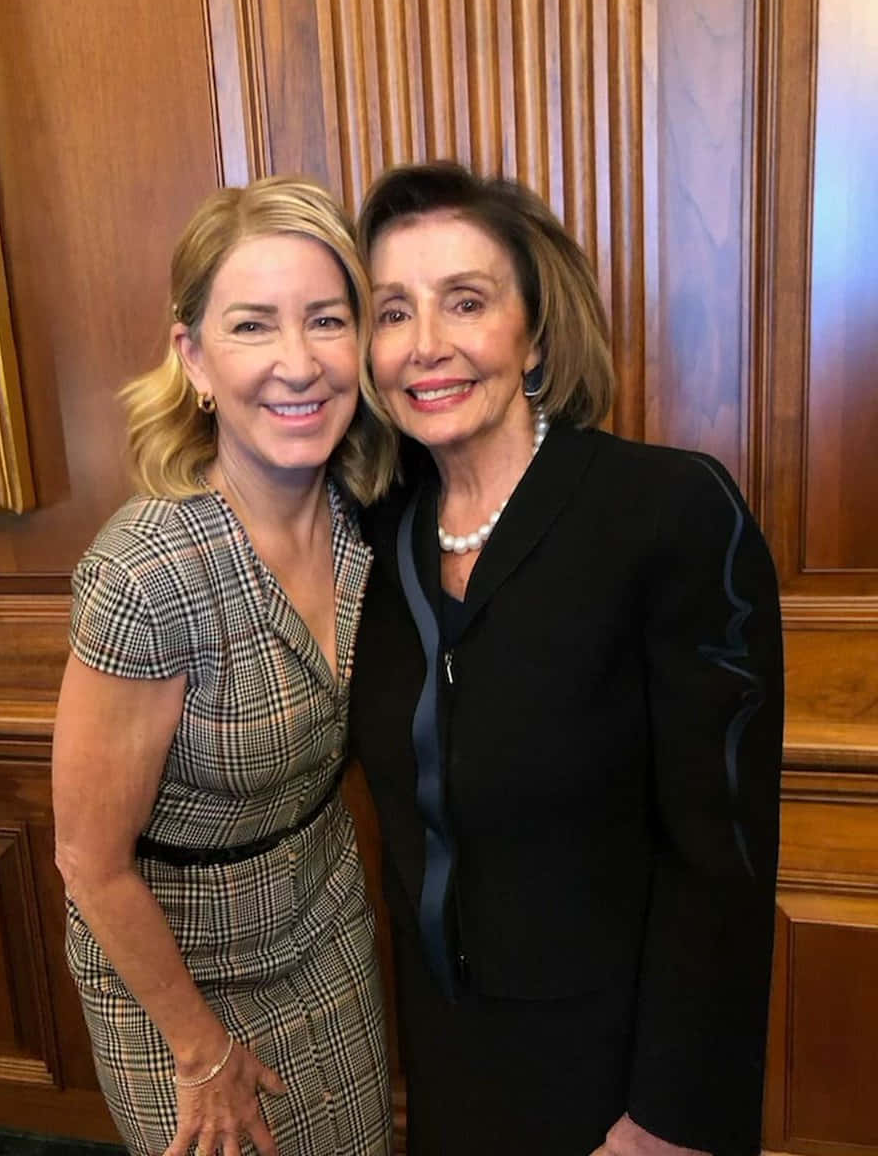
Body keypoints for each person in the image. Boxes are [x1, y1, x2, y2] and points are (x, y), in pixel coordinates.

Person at [347, 161, 783, 1156]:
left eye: (467, 302)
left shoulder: (665, 512)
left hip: (624, 1069)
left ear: (535, 331)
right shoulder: (370, 538)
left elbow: (719, 855)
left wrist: (670, 1119)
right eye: (391, 312)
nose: (428, 347)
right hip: (450, 1054)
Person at [52, 178, 393, 1156]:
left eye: (327, 321)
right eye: (253, 326)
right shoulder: (144, 573)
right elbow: (88, 861)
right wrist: (200, 1051)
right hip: (175, 986)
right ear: (193, 358)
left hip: (327, 936)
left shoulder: (364, 514)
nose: (298, 363)